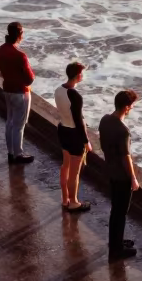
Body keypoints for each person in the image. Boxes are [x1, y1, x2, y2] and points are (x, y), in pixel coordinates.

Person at [98, 90, 139, 259]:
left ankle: (116, 241)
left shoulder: (105, 120)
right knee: (120, 212)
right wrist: (133, 178)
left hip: (110, 170)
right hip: (122, 176)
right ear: (127, 108)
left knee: (115, 209)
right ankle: (116, 249)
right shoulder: (123, 131)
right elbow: (126, 157)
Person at [0, 22, 35, 163]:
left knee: (10, 121)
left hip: (7, 89)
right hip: (20, 92)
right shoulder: (20, 55)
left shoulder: (0, 50)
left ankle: (10, 152)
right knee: (19, 124)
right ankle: (18, 154)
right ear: (19, 35)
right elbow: (30, 79)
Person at [53, 61, 91, 210]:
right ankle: (74, 202)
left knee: (65, 166)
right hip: (74, 134)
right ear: (77, 75)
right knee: (74, 173)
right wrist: (86, 141)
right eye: (82, 73)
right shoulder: (75, 96)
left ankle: (65, 200)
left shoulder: (58, 90)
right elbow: (78, 120)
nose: (83, 75)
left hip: (63, 129)